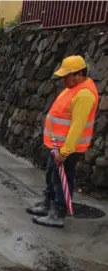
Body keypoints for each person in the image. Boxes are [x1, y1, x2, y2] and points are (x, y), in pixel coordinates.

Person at [27, 55, 98, 228]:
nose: (64, 80)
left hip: (67, 149)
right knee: (52, 175)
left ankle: (57, 213)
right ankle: (48, 204)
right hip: (56, 145)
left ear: (79, 74)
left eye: (67, 76)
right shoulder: (72, 88)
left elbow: (77, 126)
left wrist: (65, 152)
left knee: (62, 179)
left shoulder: (85, 94)